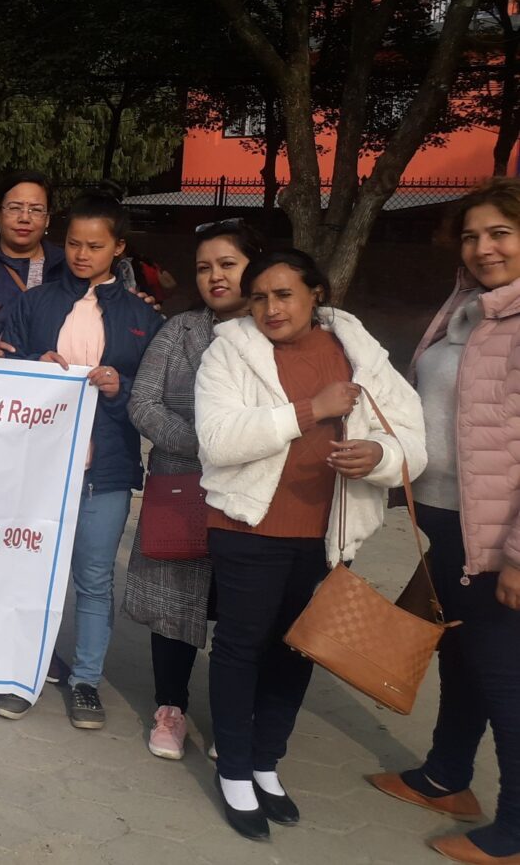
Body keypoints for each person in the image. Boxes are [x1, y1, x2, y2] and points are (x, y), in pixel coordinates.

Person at [195, 248, 425, 841]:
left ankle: (267, 761)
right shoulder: (229, 349)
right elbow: (217, 439)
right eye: (260, 298)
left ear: (316, 294)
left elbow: (412, 440)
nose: (271, 308)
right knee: (241, 648)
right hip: (249, 528)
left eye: (284, 294)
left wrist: (380, 457)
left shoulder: (357, 353)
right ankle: (235, 769)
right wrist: (309, 410)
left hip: (327, 536)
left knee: (298, 650)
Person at [365, 178, 520, 865]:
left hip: (496, 535)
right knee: (460, 657)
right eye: (471, 234)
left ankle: (515, 830)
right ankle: (446, 775)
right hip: (448, 520)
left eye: (501, 233)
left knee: (503, 675)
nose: (484, 247)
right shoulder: (468, 306)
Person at [0, 194, 163, 727]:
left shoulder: (141, 317)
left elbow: (159, 397)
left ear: (119, 247)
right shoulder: (36, 302)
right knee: (30, 575)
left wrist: (122, 384)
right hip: (38, 467)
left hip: (105, 470)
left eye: (95, 245)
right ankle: (23, 672)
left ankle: (86, 680)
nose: (82, 254)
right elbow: (0, 369)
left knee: (93, 579)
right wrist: (29, 365)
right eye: (72, 243)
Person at [122, 219, 264, 760]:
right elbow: (143, 404)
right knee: (173, 600)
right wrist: (211, 443)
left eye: (227, 264)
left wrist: (242, 447)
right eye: (205, 267)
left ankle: (234, 717)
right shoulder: (178, 331)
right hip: (183, 485)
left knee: (242, 608)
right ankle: (170, 708)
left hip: (255, 494)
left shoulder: (274, 329)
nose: (215, 277)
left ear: (253, 265)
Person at [0, 170, 65, 337]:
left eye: (36, 210)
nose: (24, 218)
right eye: (15, 208)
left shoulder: (66, 268)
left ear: (47, 219)